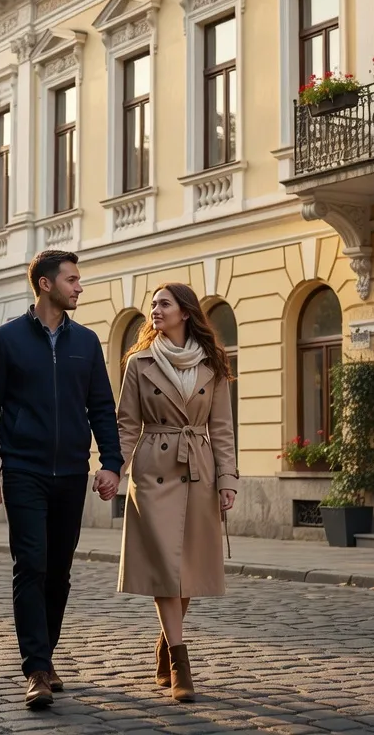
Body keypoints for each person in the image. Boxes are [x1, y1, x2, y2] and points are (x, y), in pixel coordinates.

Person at [0, 250, 123, 709]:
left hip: (72, 473)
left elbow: (101, 408)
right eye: (72, 280)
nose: (79, 287)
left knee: (59, 572)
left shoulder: (87, 342)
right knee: (31, 565)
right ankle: (36, 668)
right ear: (45, 284)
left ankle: (47, 656)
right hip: (23, 471)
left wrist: (111, 463)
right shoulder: (6, 339)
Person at [116, 283, 238, 703]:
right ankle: (181, 662)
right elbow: (126, 424)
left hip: (198, 470)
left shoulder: (212, 361)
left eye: (163, 304)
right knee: (165, 567)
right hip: (154, 471)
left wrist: (227, 479)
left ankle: (164, 645)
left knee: (186, 568)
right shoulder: (139, 362)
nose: (155, 310)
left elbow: (222, 427)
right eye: (153, 304)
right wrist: (113, 469)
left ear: (185, 312)